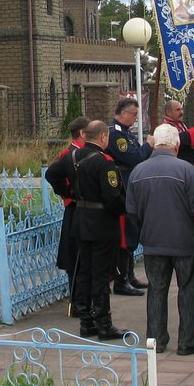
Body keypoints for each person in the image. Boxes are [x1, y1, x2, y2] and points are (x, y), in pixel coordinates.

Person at [126, 124, 194, 356]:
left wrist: (146, 229)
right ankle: (189, 341)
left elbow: (131, 211)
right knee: (189, 289)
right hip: (184, 240)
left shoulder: (138, 171)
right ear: (176, 144)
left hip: (153, 241)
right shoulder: (187, 170)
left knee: (157, 290)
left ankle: (156, 340)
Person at [70, 120, 130, 341]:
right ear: (103, 137)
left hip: (81, 220)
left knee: (85, 272)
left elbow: (58, 176)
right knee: (101, 274)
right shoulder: (105, 162)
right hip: (102, 223)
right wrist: (125, 209)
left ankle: (86, 321)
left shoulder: (75, 156)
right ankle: (104, 323)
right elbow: (112, 196)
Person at [107, 97, 154, 296]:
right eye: (133, 114)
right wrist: (149, 145)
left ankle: (129, 275)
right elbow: (133, 158)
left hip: (131, 186)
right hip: (124, 186)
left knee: (132, 234)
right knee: (125, 236)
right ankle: (121, 281)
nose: (135, 119)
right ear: (123, 113)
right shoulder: (116, 135)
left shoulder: (126, 134)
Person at [45, 116, 89, 314]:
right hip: (75, 209)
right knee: (75, 257)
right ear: (82, 133)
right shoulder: (69, 153)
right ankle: (77, 300)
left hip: (84, 209)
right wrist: (68, 194)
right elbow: (52, 175)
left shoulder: (83, 152)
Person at [162, 99, 194, 170]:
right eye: (178, 110)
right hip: (178, 167)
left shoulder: (182, 124)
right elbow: (179, 139)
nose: (181, 112)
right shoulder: (166, 127)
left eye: (182, 109)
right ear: (168, 112)